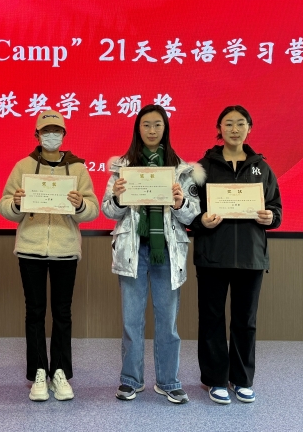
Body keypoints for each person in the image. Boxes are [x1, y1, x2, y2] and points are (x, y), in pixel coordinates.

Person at [102, 105, 204, 404]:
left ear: (165, 128)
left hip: (167, 252)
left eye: (157, 124)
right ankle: (130, 380)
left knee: (167, 321)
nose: (151, 130)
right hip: (133, 251)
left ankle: (168, 381)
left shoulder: (181, 169)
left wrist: (179, 202)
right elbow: (108, 211)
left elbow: (193, 215)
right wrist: (119, 197)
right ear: (138, 128)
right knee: (131, 320)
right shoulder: (121, 168)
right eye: (146, 124)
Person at [0, 110, 99, 401]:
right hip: (30, 249)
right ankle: (39, 372)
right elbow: (4, 205)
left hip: (65, 250)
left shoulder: (78, 168)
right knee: (35, 312)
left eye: (56, 131)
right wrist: (16, 203)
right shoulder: (23, 166)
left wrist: (80, 205)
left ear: (64, 135)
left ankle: (60, 372)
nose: (51, 135)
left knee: (63, 313)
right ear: (37, 135)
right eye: (46, 131)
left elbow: (92, 209)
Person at [190, 105, 282, 405]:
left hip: (250, 256)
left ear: (249, 128)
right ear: (219, 128)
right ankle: (215, 379)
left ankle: (241, 379)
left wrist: (271, 217)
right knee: (212, 319)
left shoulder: (261, 168)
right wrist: (200, 220)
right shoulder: (202, 167)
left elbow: (276, 208)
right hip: (213, 254)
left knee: (245, 320)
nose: (234, 129)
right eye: (228, 123)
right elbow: (189, 210)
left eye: (240, 123)